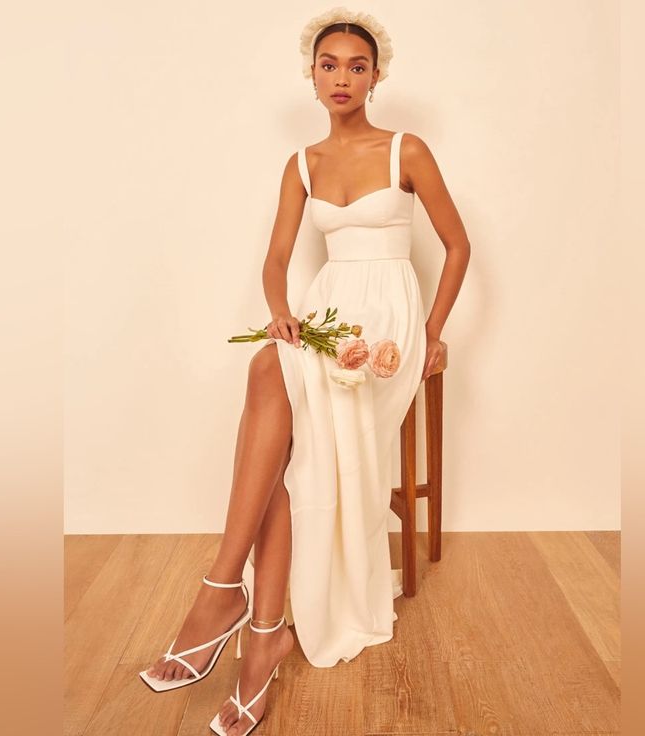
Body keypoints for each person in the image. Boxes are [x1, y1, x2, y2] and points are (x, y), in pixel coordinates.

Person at [139, 7, 470, 736]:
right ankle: (254, 626)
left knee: (276, 396)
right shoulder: (299, 164)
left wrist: (433, 331)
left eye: (357, 65)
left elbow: (457, 245)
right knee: (270, 368)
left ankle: (226, 598)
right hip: (326, 316)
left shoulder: (405, 151)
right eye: (330, 65)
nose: (343, 77)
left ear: (377, 76)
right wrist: (281, 309)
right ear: (311, 75)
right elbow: (277, 257)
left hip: (386, 327)